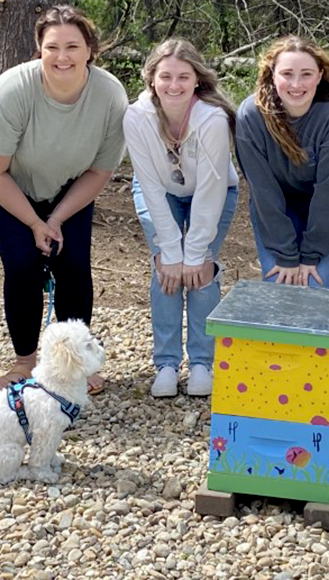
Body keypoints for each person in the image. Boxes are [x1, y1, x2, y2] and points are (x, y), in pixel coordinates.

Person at [0, 5, 128, 392]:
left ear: (90, 50)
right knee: (24, 264)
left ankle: (76, 365)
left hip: (69, 188)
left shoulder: (109, 95)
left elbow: (99, 171)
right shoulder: (12, 91)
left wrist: (55, 219)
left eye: (73, 46)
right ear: (38, 49)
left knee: (73, 265)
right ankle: (25, 361)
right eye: (52, 47)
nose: (63, 57)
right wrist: (34, 223)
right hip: (5, 186)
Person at [124, 39, 239, 398]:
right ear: (151, 79)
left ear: (197, 80)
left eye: (183, 77)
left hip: (214, 193)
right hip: (159, 193)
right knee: (167, 270)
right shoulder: (136, 116)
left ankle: (203, 363)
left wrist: (195, 251)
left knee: (200, 271)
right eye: (166, 76)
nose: (174, 85)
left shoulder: (212, 119)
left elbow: (211, 189)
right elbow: (150, 186)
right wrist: (171, 251)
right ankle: (167, 365)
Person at [235, 36, 329, 289]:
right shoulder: (251, 116)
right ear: (273, 75)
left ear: (319, 76)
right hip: (277, 209)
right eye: (287, 73)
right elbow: (263, 191)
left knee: (312, 286)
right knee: (277, 284)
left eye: (306, 74)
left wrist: (310, 256)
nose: (296, 84)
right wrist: (285, 255)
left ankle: (320, 326)